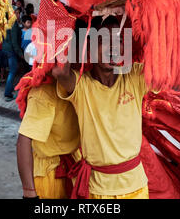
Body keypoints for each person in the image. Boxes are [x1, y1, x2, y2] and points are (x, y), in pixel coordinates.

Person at [52, 16, 149, 199]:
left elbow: (163, 57)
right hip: (97, 191)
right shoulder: (81, 85)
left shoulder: (134, 76)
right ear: (89, 47)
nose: (112, 47)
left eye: (119, 41)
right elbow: (59, 71)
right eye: (104, 40)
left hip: (136, 187)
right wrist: (68, 16)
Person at [17, 81, 80, 199]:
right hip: (50, 174)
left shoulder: (79, 85)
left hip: (74, 166)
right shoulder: (42, 93)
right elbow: (24, 139)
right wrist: (29, 193)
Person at [1, 7, 24, 101]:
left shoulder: (5, 23)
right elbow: (14, 42)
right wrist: (21, 54)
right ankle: (7, 94)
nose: (18, 15)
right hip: (11, 50)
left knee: (11, 71)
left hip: (5, 49)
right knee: (12, 71)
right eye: (16, 13)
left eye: (19, 13)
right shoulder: (13, 25)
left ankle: (9, 91)